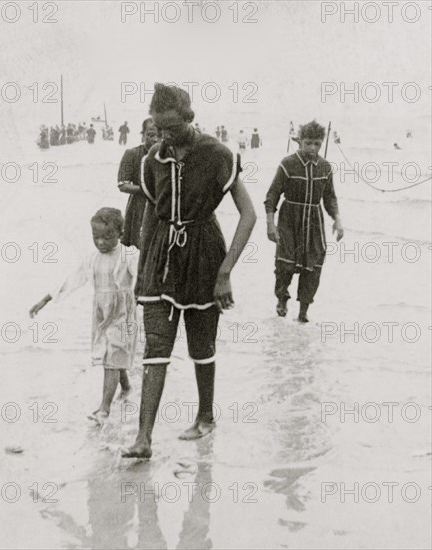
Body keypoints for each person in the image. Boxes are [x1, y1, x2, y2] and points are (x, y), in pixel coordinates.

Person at [121, 84, 257, 459]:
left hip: (204, 254)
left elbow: (249, 214)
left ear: (189, 118)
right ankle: (143, 439)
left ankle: (206, 415)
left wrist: (226, 272)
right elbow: (152, 212)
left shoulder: (216, 154)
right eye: (158, 128)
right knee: (156, 346)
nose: (164, 136)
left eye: (171, 128)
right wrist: (143, 271)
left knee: (201, 346)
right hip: (162, 258)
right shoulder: (152, 160)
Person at [29, 208, 138, 424]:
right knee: (110, 355)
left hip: (123, 314)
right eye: (95, 237)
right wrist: (45, 300)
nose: (100, 242)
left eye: (107, 237)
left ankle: (104, 408)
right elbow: (71, 281)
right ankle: (125, 386)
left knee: (113, 356)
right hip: (101, 314)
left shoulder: (129, 255)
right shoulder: (92, 259)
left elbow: (144, 276)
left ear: (121, 233)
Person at [264, 120, 344, 323]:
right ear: (299, 141)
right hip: (289, 218)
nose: (312, 148)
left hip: (314, 221)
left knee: (313, 267)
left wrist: (337, 220)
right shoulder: (288, 163)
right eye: (308, 143)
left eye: (317, 143)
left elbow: (330, 197)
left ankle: (303, 311)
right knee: (286, 265)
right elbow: (272, 195)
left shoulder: (325, 167)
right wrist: (270, 223)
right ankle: (282, 298)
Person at [118, 118, 158, 249]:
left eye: (160, 135)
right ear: (143, 135)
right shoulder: (132, 154)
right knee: (138, 246)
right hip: (139, 206)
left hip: (163, 206)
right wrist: (146, 190)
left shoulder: (168, 156)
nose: (156, 140)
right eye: (151, 135)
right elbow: (122, 185)